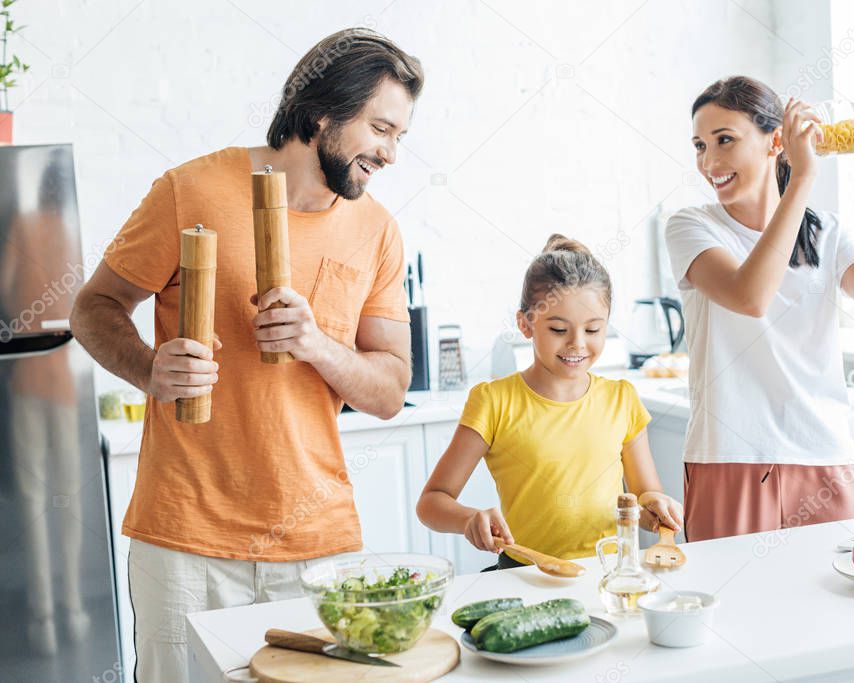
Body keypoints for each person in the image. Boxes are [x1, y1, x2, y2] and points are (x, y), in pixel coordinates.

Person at [69, 28, 423, 681]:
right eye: (380, 129)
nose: (391, 153)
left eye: (399, 135)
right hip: (187, 537)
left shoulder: (378, 231)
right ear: (321, 113)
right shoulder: (191, 189)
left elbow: (388, 389)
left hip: (316, 542)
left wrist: (316, 344)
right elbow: (91, 307)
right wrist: (149, 367)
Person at [664, 76, 854, 542]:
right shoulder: (692, 227)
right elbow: (749, 296)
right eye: (700, 145)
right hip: (730, 458)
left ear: (773, 142)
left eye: (725, 141)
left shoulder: (827, 233)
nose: (709, 162)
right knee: (735, 610)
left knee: (839, 610)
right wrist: (802, 177)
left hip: (827, 459)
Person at [417, 234, 684, 570]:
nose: (577, 344)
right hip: (525, 573)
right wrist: (469, 518)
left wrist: (656, 507)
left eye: (593, 330)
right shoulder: (494, 401)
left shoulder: (621, 399)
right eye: (559, 330)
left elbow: (644, 499)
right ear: (526, 324)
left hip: (608, 572)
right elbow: (431, 502)